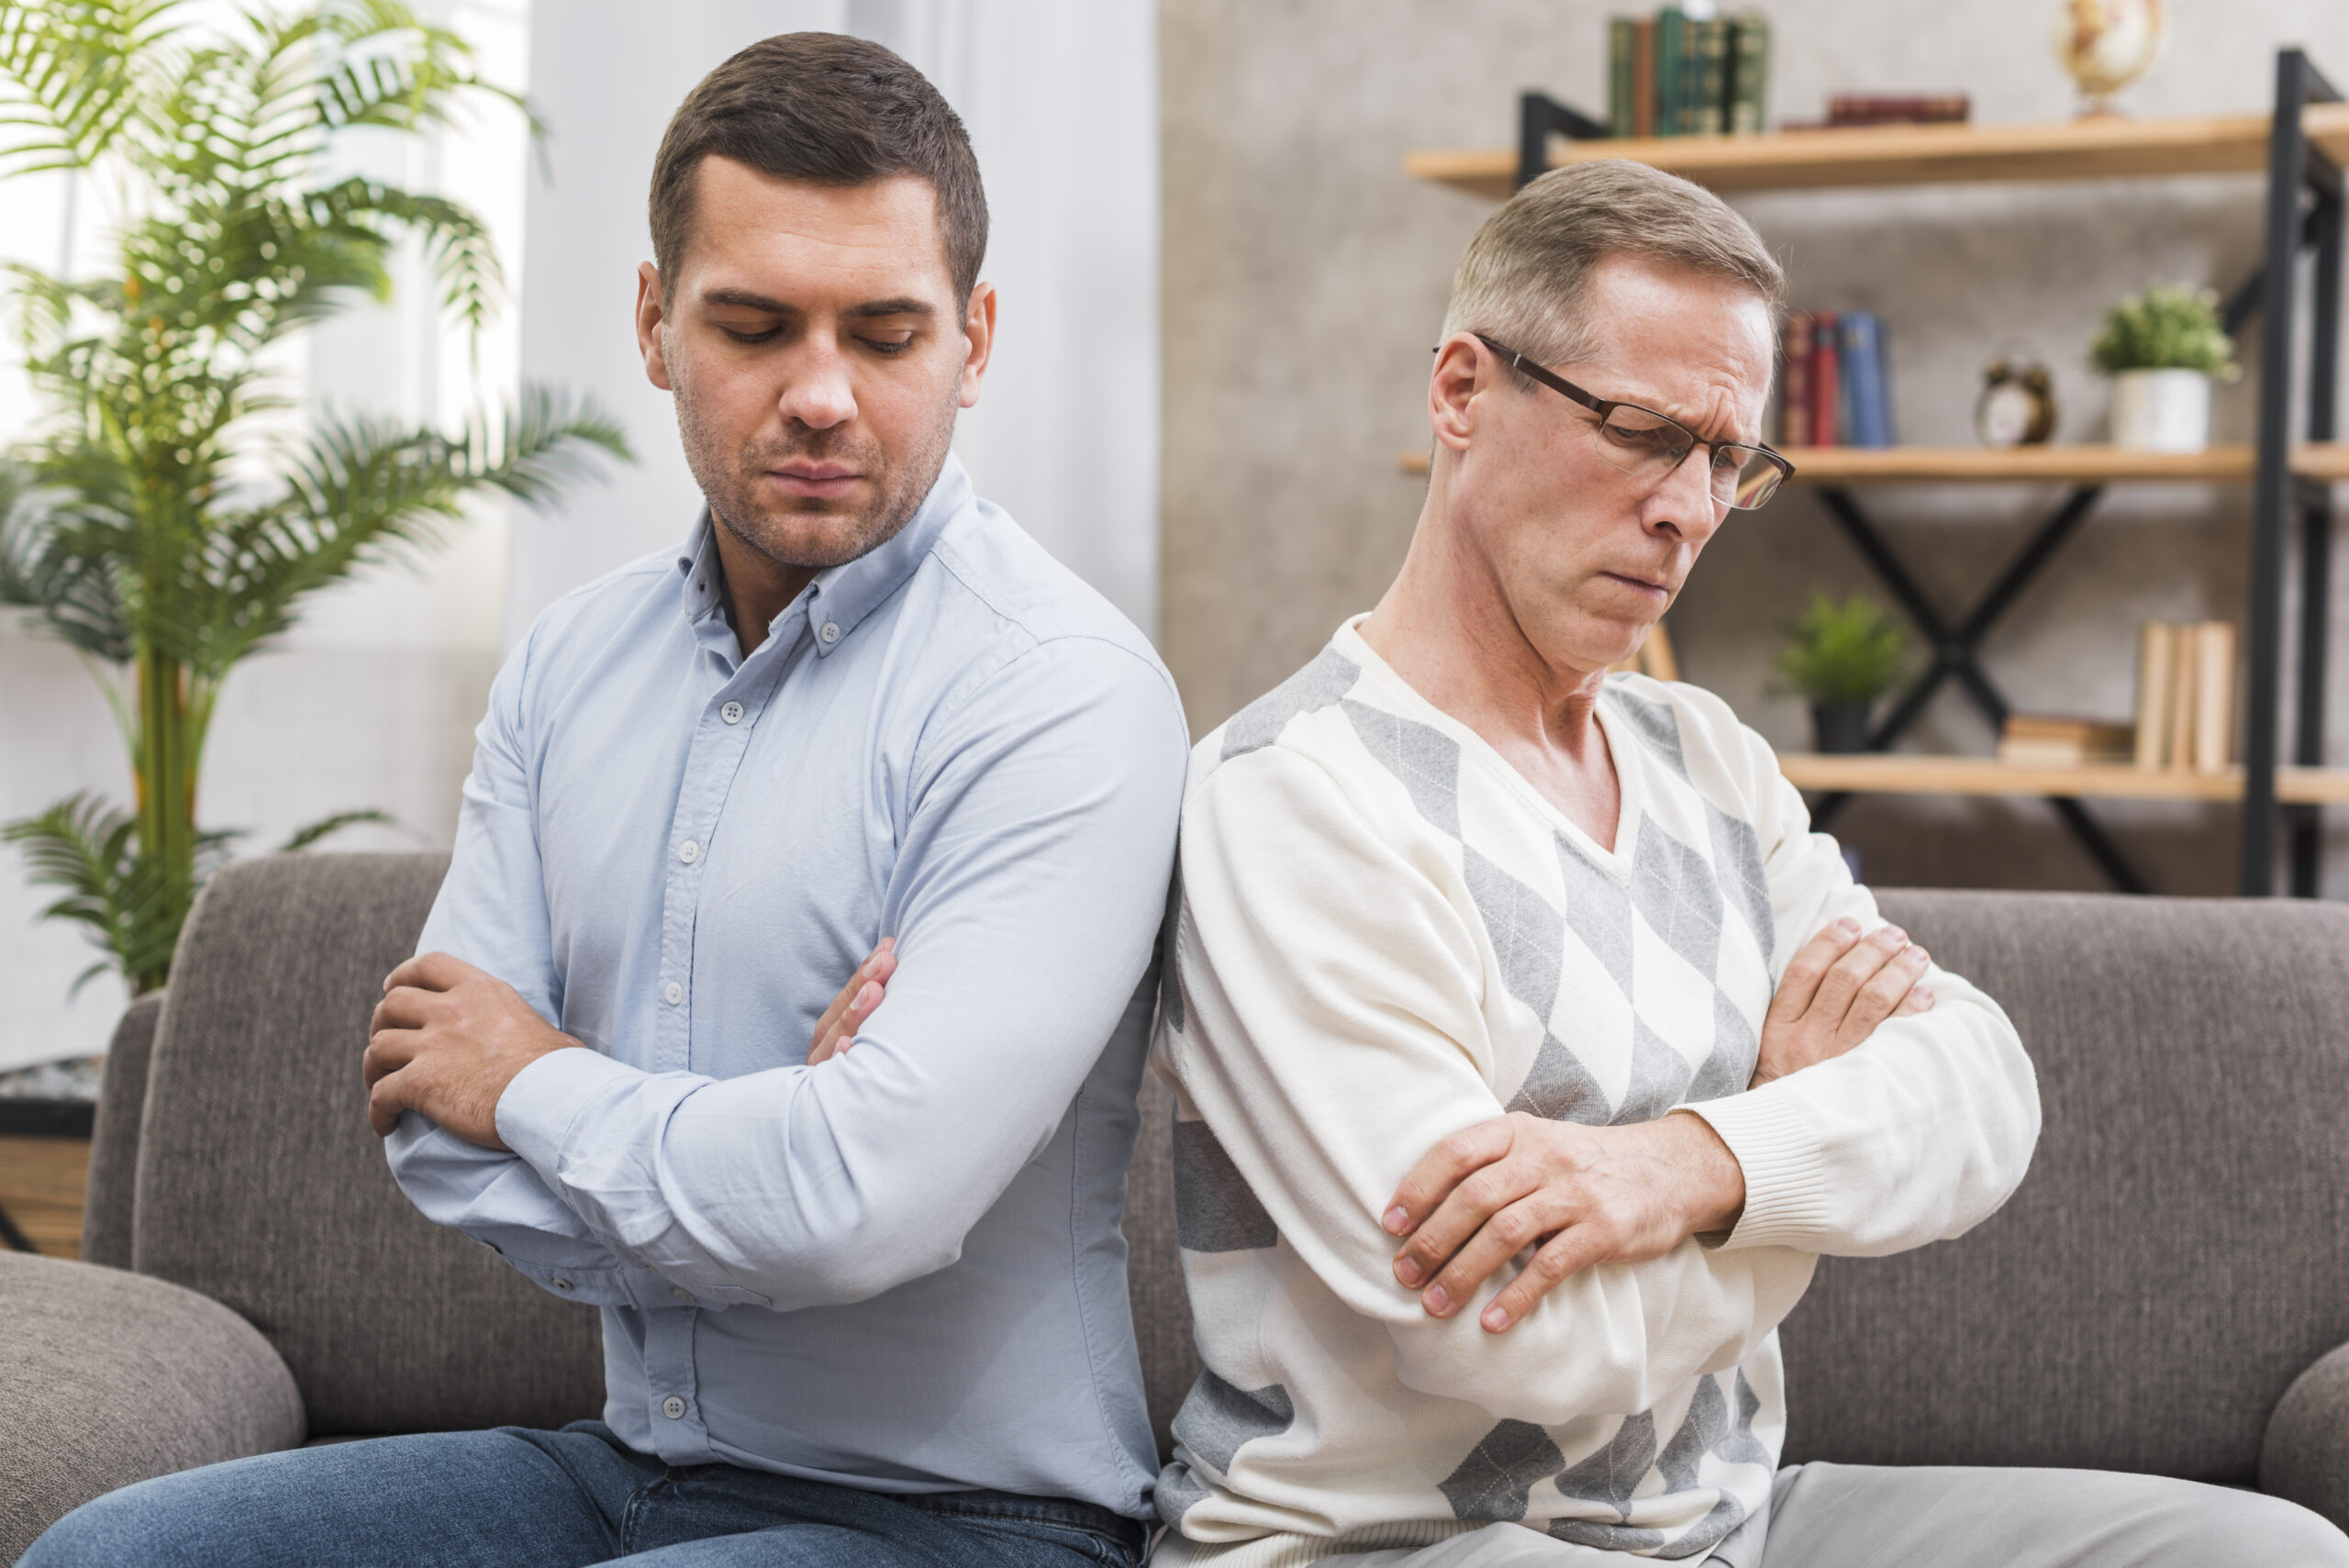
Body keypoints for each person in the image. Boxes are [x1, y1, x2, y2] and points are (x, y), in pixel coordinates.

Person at [24, 32, 1185, 1568]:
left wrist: (537, 1078)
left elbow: (853, 1206)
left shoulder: (1063, 694)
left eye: (886, 334)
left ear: (974, 338)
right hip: (626, 1468)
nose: (822, 394)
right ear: (654, 322)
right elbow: (432, 1133)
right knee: (107, 1558)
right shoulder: (574, 662)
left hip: (971, 1524)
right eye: (755, 325)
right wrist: (760, 1145)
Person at [1146, 159, 2349, 1567]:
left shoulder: (1704, 756)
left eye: (1729, 456)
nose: (1692, 507)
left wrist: (1689, 1163)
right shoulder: (1294, 794)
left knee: (2273, 1553)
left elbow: (1981, 1093)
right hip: (1389, 1544)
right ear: (1462, 391)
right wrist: (1797, 1149)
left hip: (1734, 1523)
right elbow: (1516, 1344)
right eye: (1646, 431)